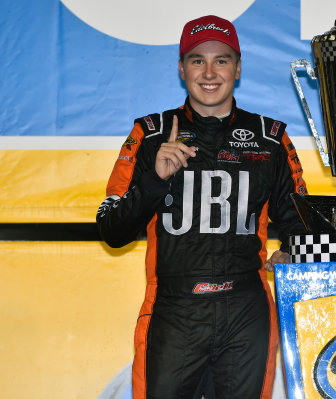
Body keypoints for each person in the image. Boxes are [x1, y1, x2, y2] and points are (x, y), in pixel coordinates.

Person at [96, 15, 307, 399]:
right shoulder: (150, 134)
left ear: (238, 67)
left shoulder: (271, 138)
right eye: (197, 60)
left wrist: (294, 250)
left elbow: (301, 222)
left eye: (221, 60)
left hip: (246, 311)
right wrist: (155, 180)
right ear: (181, 68)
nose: (209, 72)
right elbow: (111, 229)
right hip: (173, 313)